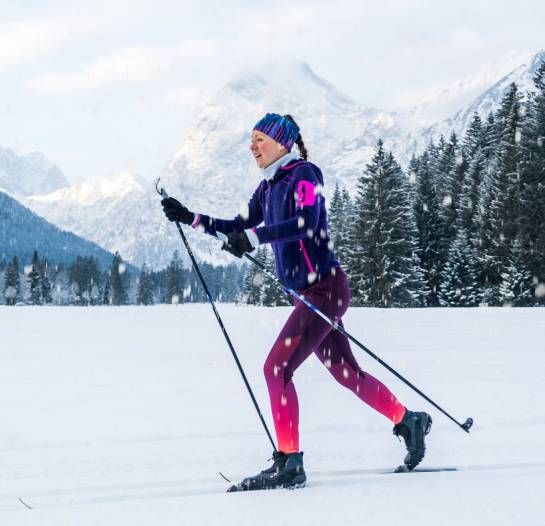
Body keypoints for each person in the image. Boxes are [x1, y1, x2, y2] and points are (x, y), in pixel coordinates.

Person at [161, 113, 432, 491]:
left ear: (281, 142)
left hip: (325, 290)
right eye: (251, 140)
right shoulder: (267, 188)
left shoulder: (304, 174)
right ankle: (408, 420)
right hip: (309, 295)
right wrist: (189, 217)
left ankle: (290, 462)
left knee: (277, 369)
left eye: (259, 139)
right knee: (346, 373)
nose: (252, 146)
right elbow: (237, 226)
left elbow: (306, 222)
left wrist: (255, 238)